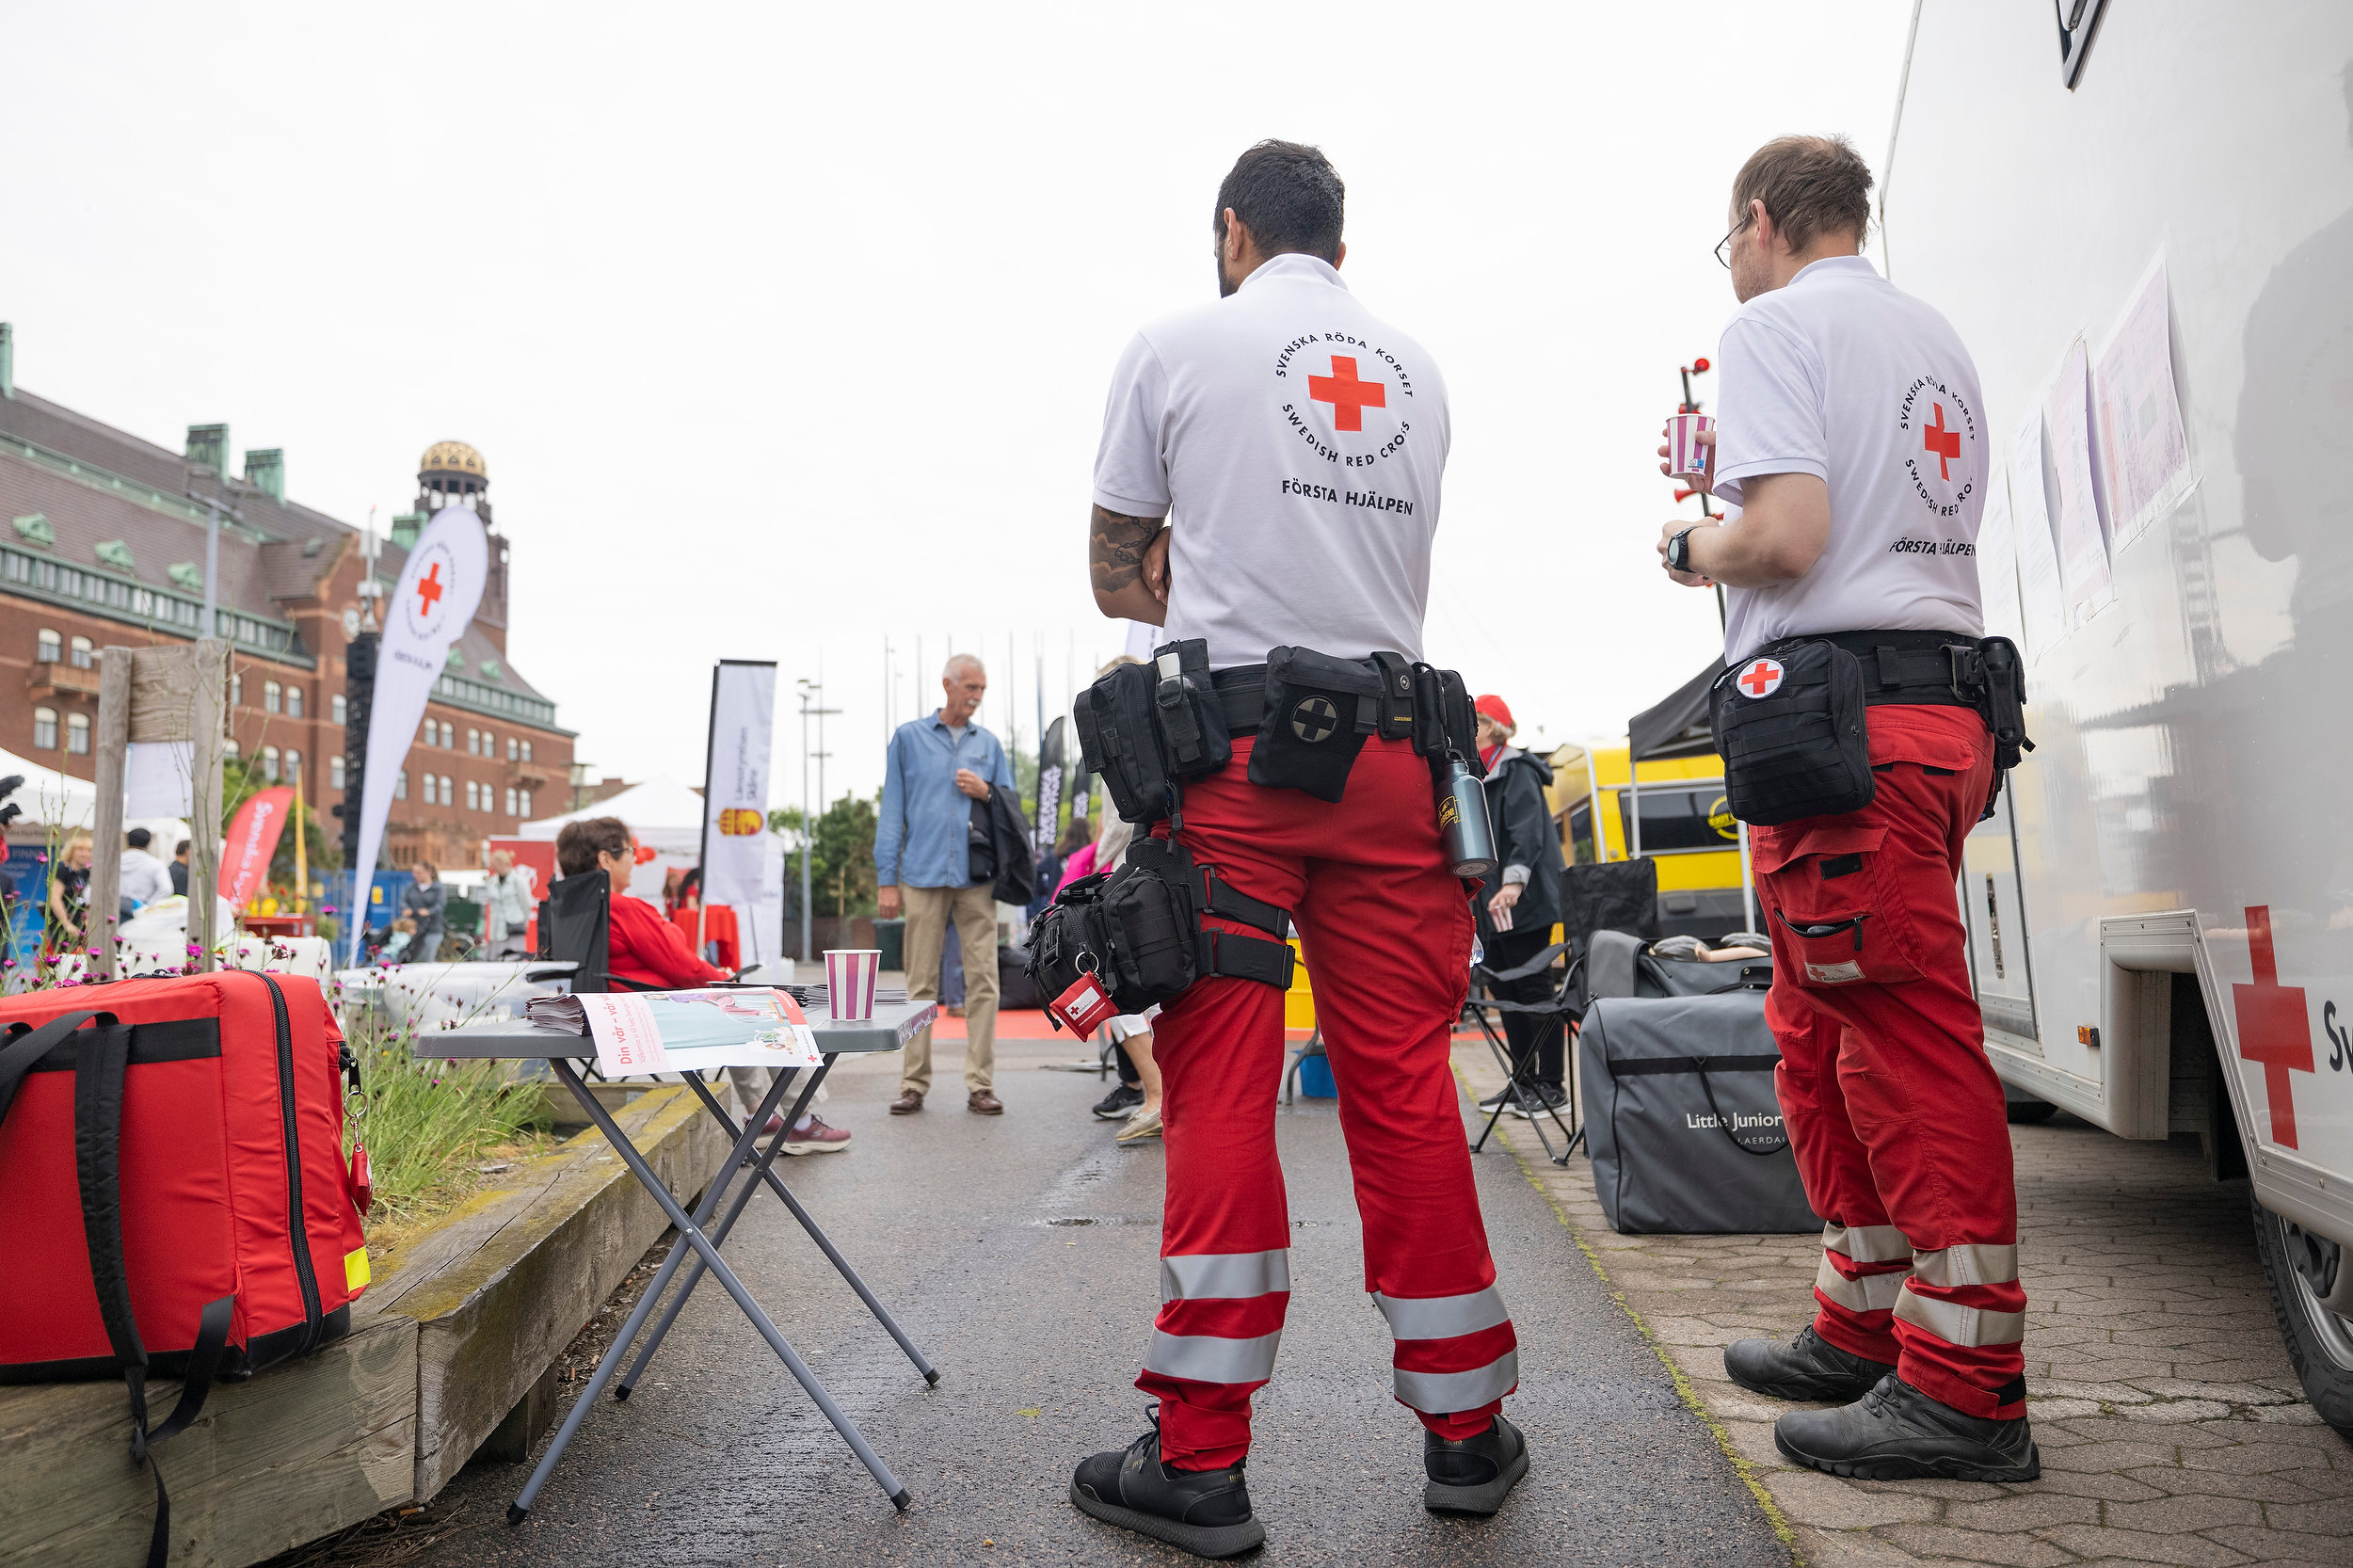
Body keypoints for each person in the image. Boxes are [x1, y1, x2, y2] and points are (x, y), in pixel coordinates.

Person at [1068, 139, 1522, 1555]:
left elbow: (1110, 573)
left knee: (1222, 1087)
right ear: (1343, 239)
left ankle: (1198, 1457)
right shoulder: (1415, 373)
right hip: (1398, 760)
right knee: (1403, 1086)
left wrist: (1199, 560)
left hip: (1238, 764)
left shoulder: (1177, 343)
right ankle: (1465, 1431)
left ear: (1231, 231)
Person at [1657, 135, 2035, 1482]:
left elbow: (1791, 541)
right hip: (1932, 713)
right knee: (1819, 1027)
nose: (1735, 268)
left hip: (1844, 724)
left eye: (1731, 244)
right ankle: (1867, 1316)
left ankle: (1969, 1382)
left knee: (1899, 1037)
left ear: (1760, 222)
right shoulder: (1929, 337)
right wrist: (1727, 481)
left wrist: (1686, 538)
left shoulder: (1766, 327)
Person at [554, 816, 848, 1154]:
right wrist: (726, 979)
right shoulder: (623, 907)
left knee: (736, 1002)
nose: (635, 859)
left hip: (596, 1015)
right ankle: (800, 1122)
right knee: (763, 1005)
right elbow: (682, 967)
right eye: (630, 852)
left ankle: (761, 1116)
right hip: (644, 1016)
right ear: (606, 858)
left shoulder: (567, 907)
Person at [873, 653, 1016, 1116]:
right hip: (921, 873)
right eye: (970, 688)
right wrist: (886, 879)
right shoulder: (908, 739)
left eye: (982, 690)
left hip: (977, 877)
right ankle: (913, 1083)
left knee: (984, 982)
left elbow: (1012, 809)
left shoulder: (990, 745)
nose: (976, 697)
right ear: (947, 685)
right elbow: (892, 811)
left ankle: (981, 1084)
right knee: (920, 984)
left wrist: (987, 791)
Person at [1466, 696, 1566, 1118]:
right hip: (1492, 904)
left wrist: (1512, 883)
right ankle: (1523, 1081)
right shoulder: (1478, 771)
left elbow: (1526, 832)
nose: (1466, 728)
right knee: (1506, 991)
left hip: (1520, 899)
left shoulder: (1517, 768)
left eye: (1473, 721)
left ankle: (1552, 1087)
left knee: (1534, 988)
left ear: (1491, 726)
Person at [1059, 808, 1164, 1144]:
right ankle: (1163, 1093)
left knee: (1116, 994)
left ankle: (1158, 1097)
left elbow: (1121, 823)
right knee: (1159, 990)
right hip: (1167, 871)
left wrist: (1095, 862)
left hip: (1129, 875)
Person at [45, 831, 92, 959]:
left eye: (89, 850)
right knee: (64, 961)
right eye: (80, 849)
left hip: (81, 925)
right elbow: (54, 898)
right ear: (72, 851)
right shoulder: (62, 869)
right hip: (63, 924)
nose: (85, 853)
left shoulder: (86, 873)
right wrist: (66, 923)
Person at [483, 850, 536, 960]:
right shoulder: (492, 882)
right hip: (496, 930)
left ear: (503, 863)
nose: (493, 867)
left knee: (514, 959)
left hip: (513, 929)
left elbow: (527, 905)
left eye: (495, 864)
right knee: (496, 960)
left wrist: (521, 922)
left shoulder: (519, 881)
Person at [399, 862, 448, 964]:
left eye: (418, 873)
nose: (415, 875)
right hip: (414, 929)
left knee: (426, 959)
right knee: (409, 959)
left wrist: (429, 911)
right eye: (414, 873)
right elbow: (403, 901)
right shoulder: (412, 887)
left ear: (428, 872)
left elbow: (440, 905)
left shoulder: (439, 888)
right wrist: (406, 908)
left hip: (432, 929)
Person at [120, 827, 175, 909]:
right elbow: (166, 890)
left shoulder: (115, 862)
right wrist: (148, 907)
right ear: (148, 843)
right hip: (142, 910)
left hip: (116, 907)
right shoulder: (156, 864)